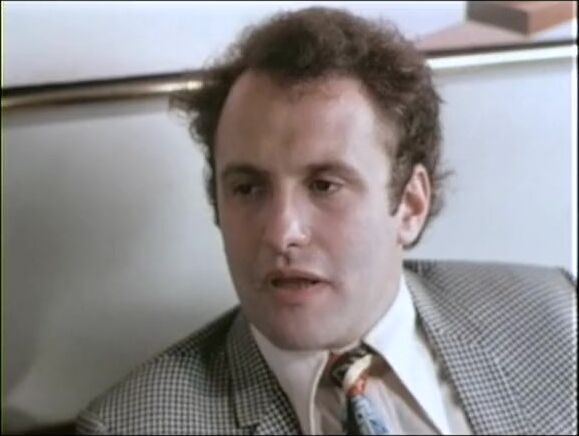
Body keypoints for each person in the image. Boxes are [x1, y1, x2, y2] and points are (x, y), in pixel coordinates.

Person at [77, 7, 576, 435]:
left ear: (410, 205)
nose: (282, 233)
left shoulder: (555, 317)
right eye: (248, 189)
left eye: (324, 186)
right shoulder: (134, 426)